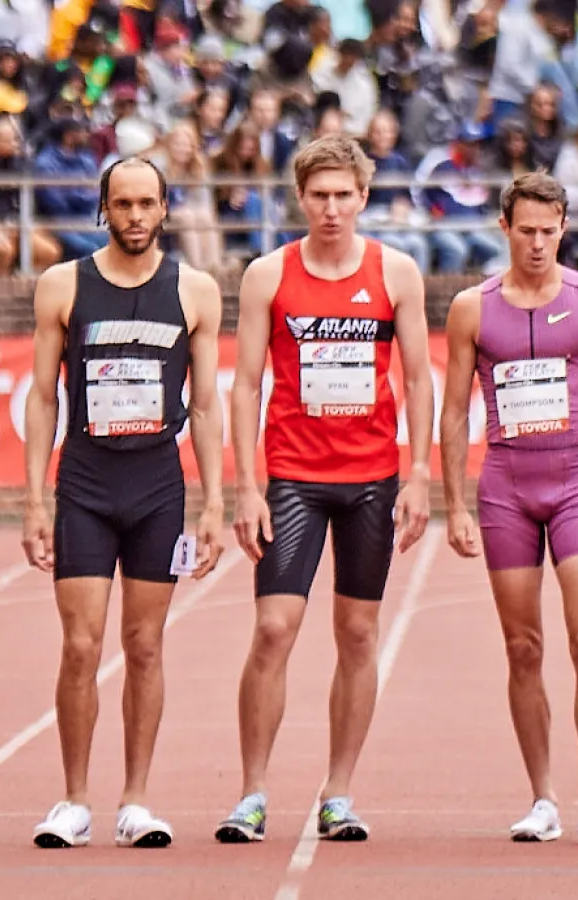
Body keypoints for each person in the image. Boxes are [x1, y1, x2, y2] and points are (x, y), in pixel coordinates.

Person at [215, 135, 434, 844]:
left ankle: (338, 792)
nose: (333, 209)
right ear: (300, 199)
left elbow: (422, 378)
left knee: (358, 632)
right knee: (274, 629)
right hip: (293, 476)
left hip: (371, 476)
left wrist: (419, 472)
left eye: (345, 195)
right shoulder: (267, 275)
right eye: (320, 196)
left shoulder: (395, 273)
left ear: (363, 197)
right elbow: (245, 383)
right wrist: (245, 485)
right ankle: (251, 793)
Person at [22, 156, 226, 849]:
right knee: (80, 647)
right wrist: (31, 498)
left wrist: (215, 502)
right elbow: (42, 395)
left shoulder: (195, 291)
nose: (135, 216)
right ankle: (73, 800)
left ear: (166, 207)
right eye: (123, 204)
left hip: (157, 486)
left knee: (144, 644)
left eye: (147, 203)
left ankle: (135, 800)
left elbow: (206, 404)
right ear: (103, 210)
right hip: (83, 481)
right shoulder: (62, 286)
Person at [439, 172, 578, 845]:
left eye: (548, 232)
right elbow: (454, 410)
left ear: (563, 229)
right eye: (525, 231)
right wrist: (456, 503)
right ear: (505, 227)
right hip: (506, 489)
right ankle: (544, 798)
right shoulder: (473, 308)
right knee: (523, 647)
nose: (536, 243)